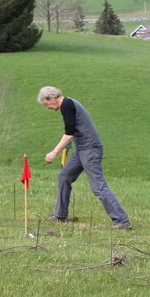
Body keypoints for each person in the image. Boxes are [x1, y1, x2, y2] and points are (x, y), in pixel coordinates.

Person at [37, 86, 131, 230]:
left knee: (98, 186)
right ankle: (60, 215)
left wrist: (54, 152)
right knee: (64, 176)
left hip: (90, 150)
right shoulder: (67, 104)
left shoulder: (66, 105)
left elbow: (70, 133)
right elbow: (73, 130)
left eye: (46, 103)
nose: (47, 107)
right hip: (81, 149)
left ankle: (122, 221)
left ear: (52, 98)